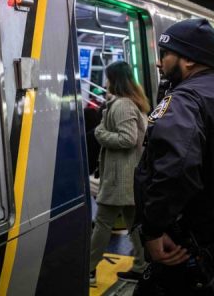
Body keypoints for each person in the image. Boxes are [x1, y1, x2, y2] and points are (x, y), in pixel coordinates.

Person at [133, 18, 214, 295]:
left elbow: (176, 168)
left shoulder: (185, 100)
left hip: (187, 241)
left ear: (189, 61)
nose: (159, 63)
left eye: (165, 55)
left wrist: (153, 230)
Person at [89, 61, 150, 285]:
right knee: (134, 225)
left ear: (114, 80)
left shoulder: (123, 105)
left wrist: (100, 133)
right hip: (127, 176)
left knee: (103, 223)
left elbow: (127, 139)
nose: (105, 83)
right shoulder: (132, 102)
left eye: (107, 78)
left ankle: (88, 269)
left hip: (120, 178)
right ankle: (142, 267)